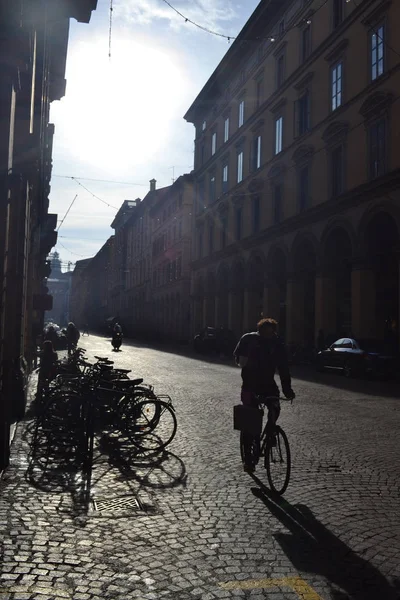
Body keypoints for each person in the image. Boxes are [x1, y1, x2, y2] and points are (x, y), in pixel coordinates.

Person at [233, 317, 295, 473]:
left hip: (268, 385)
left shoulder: (277, 345)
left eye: (271, 332)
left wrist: (287, 390)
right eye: (265, 332)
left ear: (274, 332)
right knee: (250, 423)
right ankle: (249, 460)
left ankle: (271, 431)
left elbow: (283, 368)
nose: (268, 335)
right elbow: (238, 358)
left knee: (275, 408)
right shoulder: (248, 340)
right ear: (259, 331)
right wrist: (245, 362)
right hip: (250, 386)